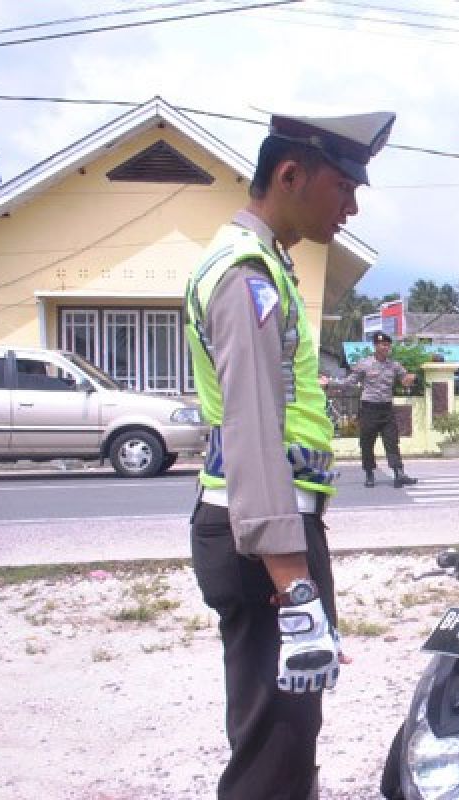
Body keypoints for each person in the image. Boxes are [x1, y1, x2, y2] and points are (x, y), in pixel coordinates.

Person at [184, 108, 395, 800]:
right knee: (275, 746)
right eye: (343, 187)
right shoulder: (247, 276)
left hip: (263, 533)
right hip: (266, 540)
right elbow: (251, 432)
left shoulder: (262, 264)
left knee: (282, 729)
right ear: (290, 174)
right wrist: (295, 587)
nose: (352, 206)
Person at [341, 331, 418, 488]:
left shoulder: (394, 365)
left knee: (392, 441)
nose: (386, 347)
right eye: (383, 344)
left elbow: (404, 381)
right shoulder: (364, 364)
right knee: (367, 442)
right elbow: (349, 381)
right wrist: (329, 383)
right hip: (369, 408)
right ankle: (369, 474)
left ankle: (399, 473)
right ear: (375, 346)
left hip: (386, 409)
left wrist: (409, 380)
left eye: (388, 345)